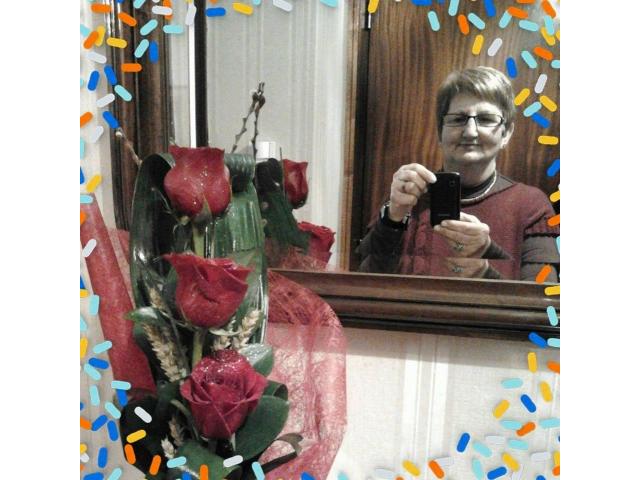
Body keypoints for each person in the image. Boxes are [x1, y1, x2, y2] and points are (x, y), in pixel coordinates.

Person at [358, 66, 559, 281]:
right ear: (439, 131)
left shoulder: (532, 206)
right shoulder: (407, 194)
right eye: (457, 119)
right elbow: (367, 282)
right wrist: (393, 218)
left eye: (486, 119)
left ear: (506, 133)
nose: (470, 132)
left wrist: (485, 272)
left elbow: (540, 296)